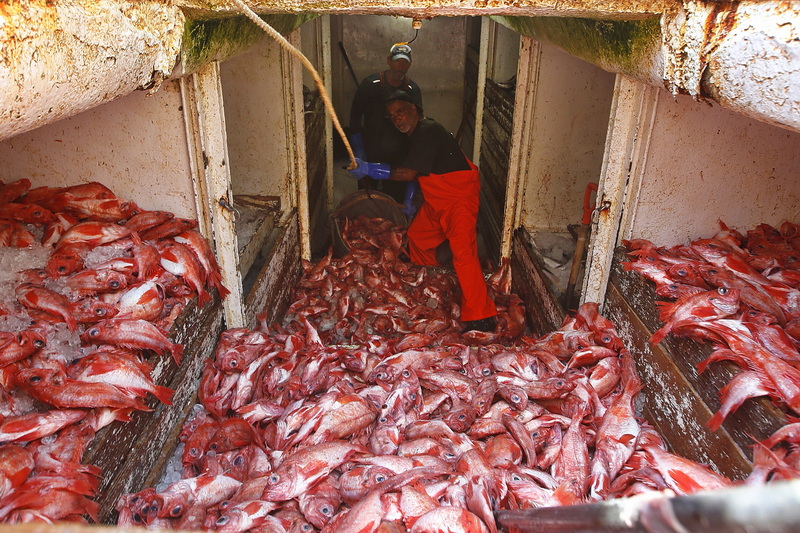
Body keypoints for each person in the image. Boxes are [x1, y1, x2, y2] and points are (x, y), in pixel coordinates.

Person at [347, 91, 497, 332]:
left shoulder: (428, 130)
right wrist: (409, 199)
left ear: (415, 110)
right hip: (437, 198)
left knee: (464, 255)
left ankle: (481, 315)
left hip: (458, 199)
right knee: (417, 236)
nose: (397, 119)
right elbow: (418, 170)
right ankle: (435, 276)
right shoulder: (415, 135)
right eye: (392, 115)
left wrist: (370, 169)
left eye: (401, 111)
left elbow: (407, 173)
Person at [349, 43, 422, 211]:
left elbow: (417, 122)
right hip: (371, 150)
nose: (401, 67)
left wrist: (413, 154)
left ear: (410, 64)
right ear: (389, 61)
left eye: (405, 63)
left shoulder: (412, 89)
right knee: (367, 197)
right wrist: (358, 149)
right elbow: (355, 116)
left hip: (398, 154)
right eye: (397, 62)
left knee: (394, 198)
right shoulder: (370, 84)